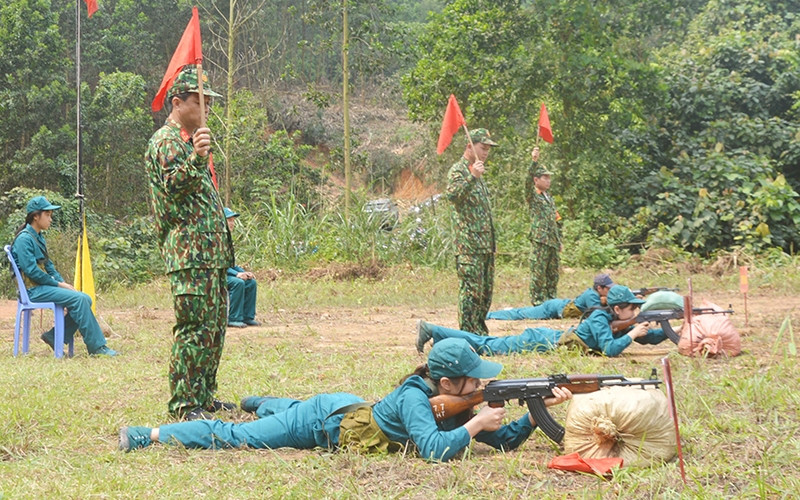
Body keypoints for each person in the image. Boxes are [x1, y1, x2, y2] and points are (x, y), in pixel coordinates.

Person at [118, 338, 572, 461]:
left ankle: (262, 400)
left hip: (349, 407)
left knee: (284, 408)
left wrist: (537, 415)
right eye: (473, 382)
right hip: (325, 422)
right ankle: (147, 435)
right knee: (237, 436)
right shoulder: (418, 399)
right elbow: (434, 452)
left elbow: (506, 441)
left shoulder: (453, 402)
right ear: (448, 382)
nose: (480, 388)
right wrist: (474, 426)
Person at [144, 65, 235, 420]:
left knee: (213, 329)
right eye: (202, 102)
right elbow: (174, 186)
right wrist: (197, 157)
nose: (208, 109)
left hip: (209, 256)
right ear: (178, 103)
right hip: (189, 255)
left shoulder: (188, 142)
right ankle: (184, 404)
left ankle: (204, 396)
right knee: (194, 328)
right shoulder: (165, 141)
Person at [417, 286, 669, 357]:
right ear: (617, 308)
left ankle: (437, 333)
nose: (635, 313)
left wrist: (672, 330)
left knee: (486, 344)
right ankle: (434, 330)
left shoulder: (617, 321)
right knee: (487, 345)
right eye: (632, 309)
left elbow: (651, 338)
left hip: (549, 338)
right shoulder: (600, 318)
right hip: (540, 341)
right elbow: (611, 349)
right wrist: (633, 333)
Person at [10, 196, 117, 356]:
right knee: (79, 299)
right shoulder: (24, 239)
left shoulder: (38, 237)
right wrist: (59, 285)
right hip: (32, 290)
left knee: (84, 298)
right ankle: (97, 348)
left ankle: (54, 336)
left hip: (43, 287)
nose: (50, 219)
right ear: (35, 216)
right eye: (47, 215)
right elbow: (32, 271)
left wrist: (64, 283)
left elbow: (49, 267)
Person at [446, 128, 498, 336]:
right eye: (482, 147)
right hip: (468, 246)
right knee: (471, 293)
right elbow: (453, 196)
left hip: (485, 245)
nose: (485, 152)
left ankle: (479, 331)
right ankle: (468, 334)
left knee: (485, 294)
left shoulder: (477, 171)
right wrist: (472, 177)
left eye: (487, 149)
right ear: (469, 145)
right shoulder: (459, 171)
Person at [487, 273, 614, 321]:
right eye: (608, 288)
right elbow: (596, 314)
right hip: (553, 308)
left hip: (557, 307)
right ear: (599, 288)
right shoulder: (591, 295)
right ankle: (490, 315)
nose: (610, 291)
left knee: (522, 312)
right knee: (521, 314)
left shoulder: (596, 295)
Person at [527, 147, 561, 305]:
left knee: (552, 273)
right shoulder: (534, 196)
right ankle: (538, 303)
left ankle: (551, 301)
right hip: (540, 241)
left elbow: (556, 220)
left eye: (549, 178)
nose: (548, 180)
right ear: (536, 180)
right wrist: (534, 162)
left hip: (552, 241)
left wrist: (559, 240)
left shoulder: (549, 198)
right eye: (545, 178)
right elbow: (526, 184)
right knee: (538, 273)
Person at [224, 207, 261, 328]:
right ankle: (234, 318)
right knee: (237, 282)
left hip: (226, 272)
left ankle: (247, 317)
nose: (232, 223)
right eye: (229, 220)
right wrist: (236, 274)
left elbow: (230, 264)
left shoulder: (227, 239)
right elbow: (219, 264)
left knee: (251, 282)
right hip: (215, 274)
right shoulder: (216, 239)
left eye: (233, 220)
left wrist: (244, 272)